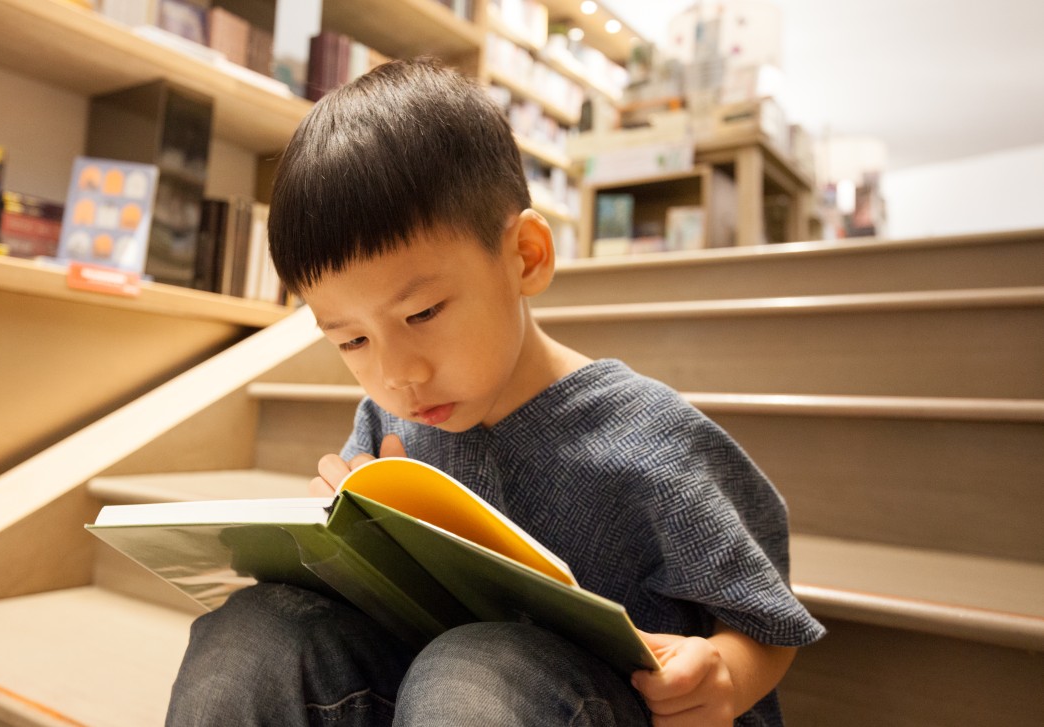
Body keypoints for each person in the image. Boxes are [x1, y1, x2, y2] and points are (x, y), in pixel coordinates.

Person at [167, 58, 825, 727]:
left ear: (527, 256)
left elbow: (766, 620)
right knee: (249, 635)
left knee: (473, 673)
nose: (398, 373)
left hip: (581, 705)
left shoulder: (652, 439)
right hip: (424, 694)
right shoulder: (386, 423)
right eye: (351, 341)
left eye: (421, 314)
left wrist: (726, 675)